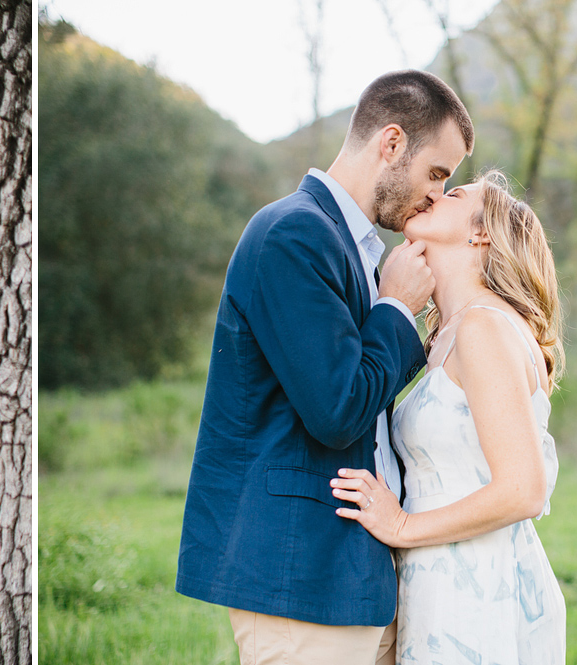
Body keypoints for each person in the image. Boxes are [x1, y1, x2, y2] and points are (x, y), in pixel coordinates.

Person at [176, 70, 474, 664]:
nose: (437, 195)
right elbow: (336, 410)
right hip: (301, 574)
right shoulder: (295, 233)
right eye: (436, 173)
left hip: (355, 577)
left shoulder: (352, 247)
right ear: (390, 144)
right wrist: (395, 307)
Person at [329, 169, 568, 664]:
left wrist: (399, 526)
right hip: (443, 576)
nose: (435, 194)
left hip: (477, 587)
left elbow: (524, 490)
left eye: (455, 193)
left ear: (480, 233)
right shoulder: (450, 333)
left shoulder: (484, 326)